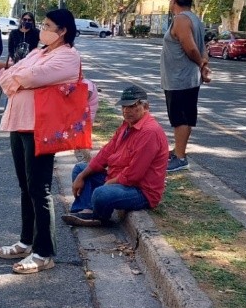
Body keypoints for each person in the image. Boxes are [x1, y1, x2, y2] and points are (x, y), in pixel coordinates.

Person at [0, 9, 82, 274]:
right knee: (25, 186)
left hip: (40, 127)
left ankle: (44, 252)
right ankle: (25, 241)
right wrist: (17, 78)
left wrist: (18, 78)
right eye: (43, 24)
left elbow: (28, 77)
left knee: (39, 188)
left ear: (62, 30)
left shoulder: (68, 56)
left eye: (48, 25)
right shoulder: (39, 52)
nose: (42, 28)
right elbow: (10, 74)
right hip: (20, 123)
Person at [62, 85, 169, 227]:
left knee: (101, 194)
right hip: (118, 179)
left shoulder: (150, 132)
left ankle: (98, 217)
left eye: (131, 106)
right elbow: (106, 153)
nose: (126, 111)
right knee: (80, 169)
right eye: (124, 107)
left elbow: (134, 174)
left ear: (145, 106)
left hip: (141, 191)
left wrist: (109, 183)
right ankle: (84, 210)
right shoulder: (127, 125)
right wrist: (82, 176)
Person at [160, 0, 212, 172]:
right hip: (188, 78)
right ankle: (178, 151)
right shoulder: (195, 19)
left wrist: (200, 64)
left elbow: (191, 48)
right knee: (186, 117)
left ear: (174, 0)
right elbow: (202, 47)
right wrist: (204, 66)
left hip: (179, 78)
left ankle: (180, 158)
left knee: (180, 118)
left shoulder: (181, 19)